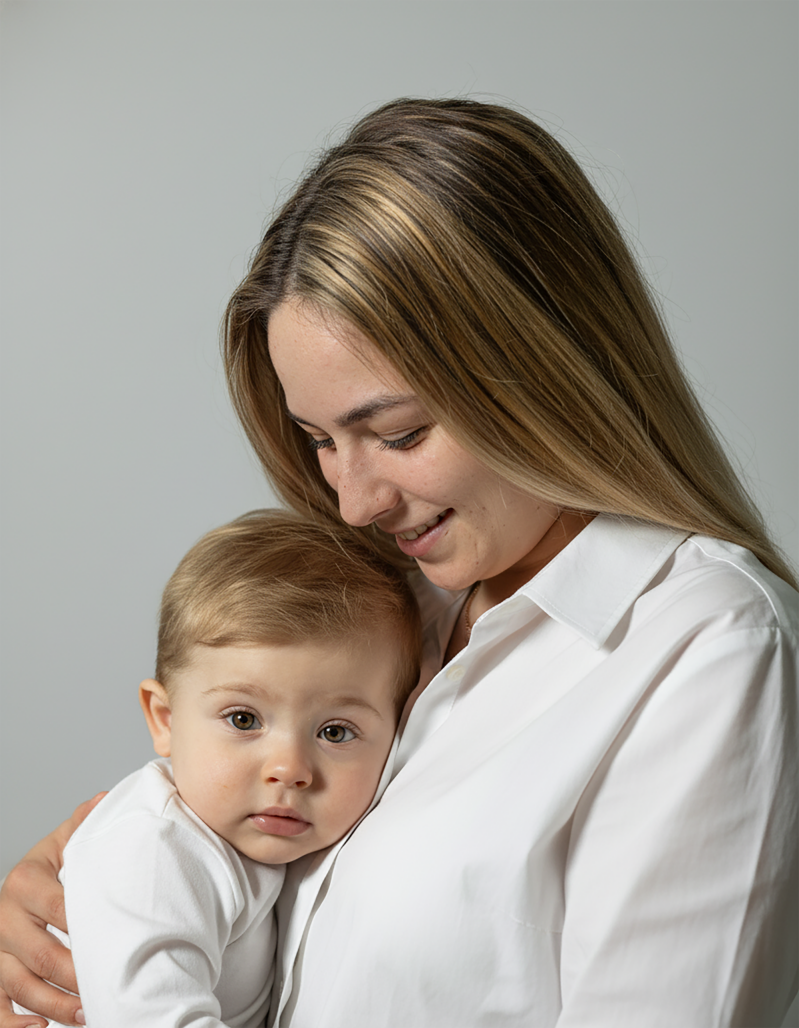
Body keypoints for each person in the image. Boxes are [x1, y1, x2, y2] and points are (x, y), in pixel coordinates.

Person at [2, 97, 799, 1028]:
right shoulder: (381, 610)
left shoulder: (708, 648)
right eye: (318, 441)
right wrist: (67, 908)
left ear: (545, 366)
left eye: (397, 432)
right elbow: (196, 863)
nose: (354, 504)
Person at [13, 509, 421, 1028]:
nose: (290, 769)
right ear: (165, 720)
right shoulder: (156, 850)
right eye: (244, 719)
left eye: (335, 732)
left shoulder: (244, 847)